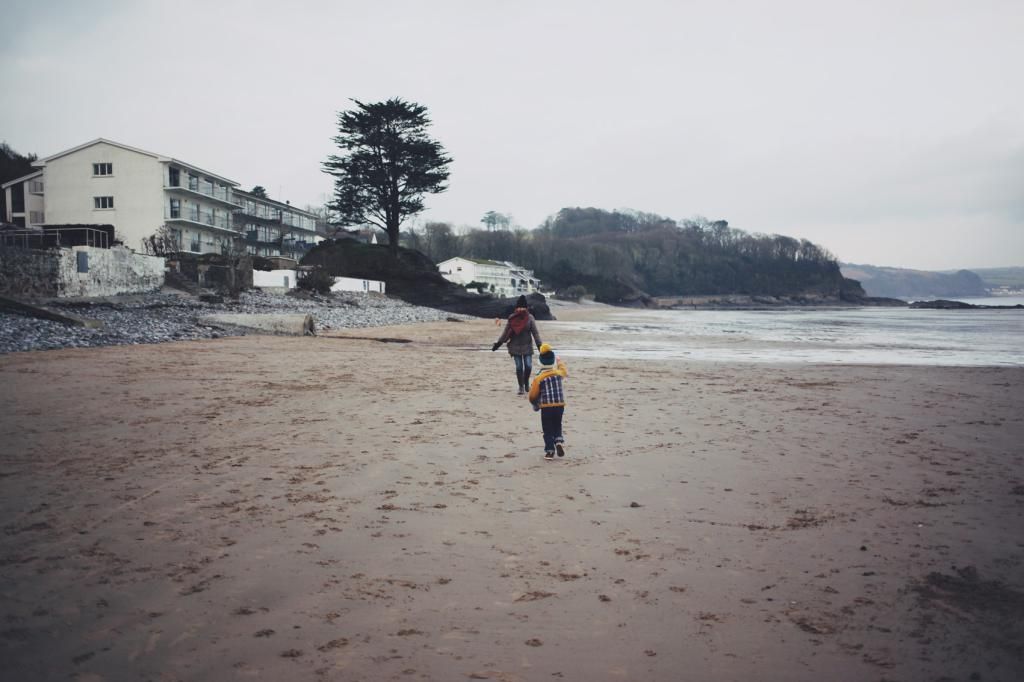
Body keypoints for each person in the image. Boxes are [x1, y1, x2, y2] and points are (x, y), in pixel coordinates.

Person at [491, 295, 543, 395]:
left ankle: (526, 381)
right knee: (519, 367)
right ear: (516, 308)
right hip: (515, 346)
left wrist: (540, 346)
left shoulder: (530, 318)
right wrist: (498, 343)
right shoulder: (512, 318)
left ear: (526, 308)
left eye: (523, 307)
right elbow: (505, 332)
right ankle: (521, 387)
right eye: (519, 307)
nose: (521, 309)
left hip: (527, 345)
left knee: (528, 366)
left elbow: (535, 333)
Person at [528, 343, 569, 460]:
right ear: (553, 362)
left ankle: (550, 451)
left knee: (547, 429)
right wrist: (560, 361)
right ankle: (558, 442)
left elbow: (533, 394)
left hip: (546, 406)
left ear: (540, 363)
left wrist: (534, 403)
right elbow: (564, 371)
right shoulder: (558, 373)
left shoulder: (539, 378)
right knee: (557, 424)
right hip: (560, 405)